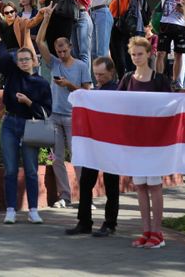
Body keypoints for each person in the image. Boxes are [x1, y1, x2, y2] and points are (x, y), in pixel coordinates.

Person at [0, 13, 52, 225]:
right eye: (20, 59)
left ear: (34, 60)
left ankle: (32, 209)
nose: (22, 62)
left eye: (26, 59)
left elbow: (46, 112)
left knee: (31, 170)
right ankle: (11, 209)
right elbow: (0, 46)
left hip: (30, 125)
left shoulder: (41, 83)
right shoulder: (12, 73)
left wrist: (30, 103)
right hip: (10, 123)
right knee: (10, 169)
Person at [116, 37, 173, 249]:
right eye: (133, 54)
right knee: (140, 186)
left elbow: (171, 108)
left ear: (149, 54)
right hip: (135, 142)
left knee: (155, 186)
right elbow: (116, 105)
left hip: (155, 143)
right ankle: (146, 232)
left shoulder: (160, 80)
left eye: (140, 53)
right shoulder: (127, 78)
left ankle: (158, 234)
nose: (136, 57)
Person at [37, 5, 90, 209]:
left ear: (70, 48)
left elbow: (86, 92)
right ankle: (64, 196)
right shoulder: (55, 64)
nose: (61, 54)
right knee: (57, 158)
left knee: (77, 157)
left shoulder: (81, 66)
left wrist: (69, 85)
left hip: (72, 116)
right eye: (58, 51)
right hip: (54, 116)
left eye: (64, 50)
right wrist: (46, 18)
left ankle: (85, 196)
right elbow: (40, 42)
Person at [66, 56, 121, 237]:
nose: (98, 78)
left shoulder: (116, 90)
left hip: (111, 144)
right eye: (96, 74)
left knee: (111, 184)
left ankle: (110, 223)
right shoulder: (97, 89)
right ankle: (84, 221)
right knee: (86, 182)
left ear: (111, 73)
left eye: (102, 75)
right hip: (94, 143)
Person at [110, 0, 146, 74]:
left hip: (136, 27)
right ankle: (129, 77)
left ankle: (138, 77)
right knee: (126, 54)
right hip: (123, 28)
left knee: (138, 54)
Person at [156, 0, 185, 86]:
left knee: (179, 54)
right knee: (161, 53)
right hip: (165, 24)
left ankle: (175, 81)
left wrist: (183, 9)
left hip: (180, 25)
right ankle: (159, 79)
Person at [70, 0, 94, 78]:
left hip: (83, 16)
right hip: (73, 18)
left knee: (84, 51)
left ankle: (86, 80)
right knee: (75, 52)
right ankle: (78, 78)